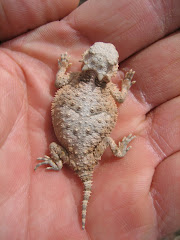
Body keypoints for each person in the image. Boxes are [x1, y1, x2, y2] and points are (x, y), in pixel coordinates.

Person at [0, 0, 179, 239]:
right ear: (112, 69)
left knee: (56, 147)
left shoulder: (72, 79)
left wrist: (62, 66)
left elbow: (59, 82)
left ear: (87, 58)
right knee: (94, 144)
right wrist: (124, 84)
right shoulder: (110, 91)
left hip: (71, 146)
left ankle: (59, 163)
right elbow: (122, 97)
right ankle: (116, 152)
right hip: (75, 147)